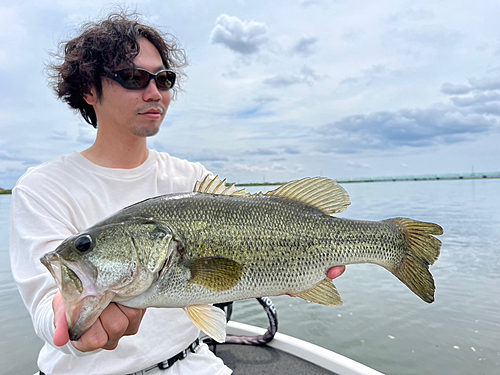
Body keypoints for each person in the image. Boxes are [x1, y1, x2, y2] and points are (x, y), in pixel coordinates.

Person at [9, 11, 346, 375]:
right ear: (89, 90)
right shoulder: (42, 187)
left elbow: (237, 260)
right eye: (134, 77)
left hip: (194, 362)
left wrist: (292, 271)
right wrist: (67, 320)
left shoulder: (191, 178)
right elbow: (48, 306)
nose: (155, 92)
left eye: (164, 79)